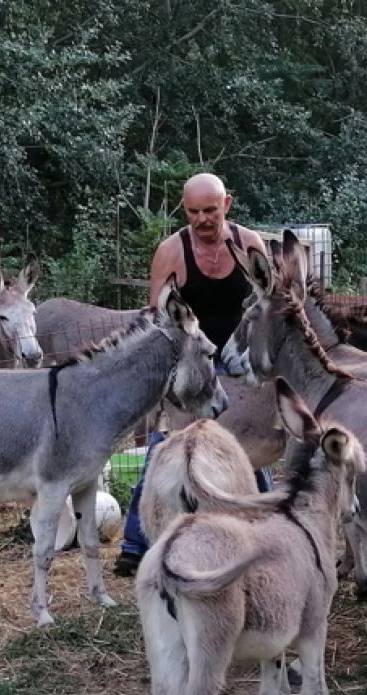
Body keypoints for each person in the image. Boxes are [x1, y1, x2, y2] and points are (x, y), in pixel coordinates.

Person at [113, 173, 272, 578]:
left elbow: (267, 305)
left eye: (210, 211)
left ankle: (265, 530)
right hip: (192, 365)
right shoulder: (172, 252)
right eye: (193, 211)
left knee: (247, 446)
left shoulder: (250, 244)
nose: (202, 219)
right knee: (168, 447)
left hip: (239, 360)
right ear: (184, 210)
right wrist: (170, 380)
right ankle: (137, 542)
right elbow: (156, 319)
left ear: (227, 205)